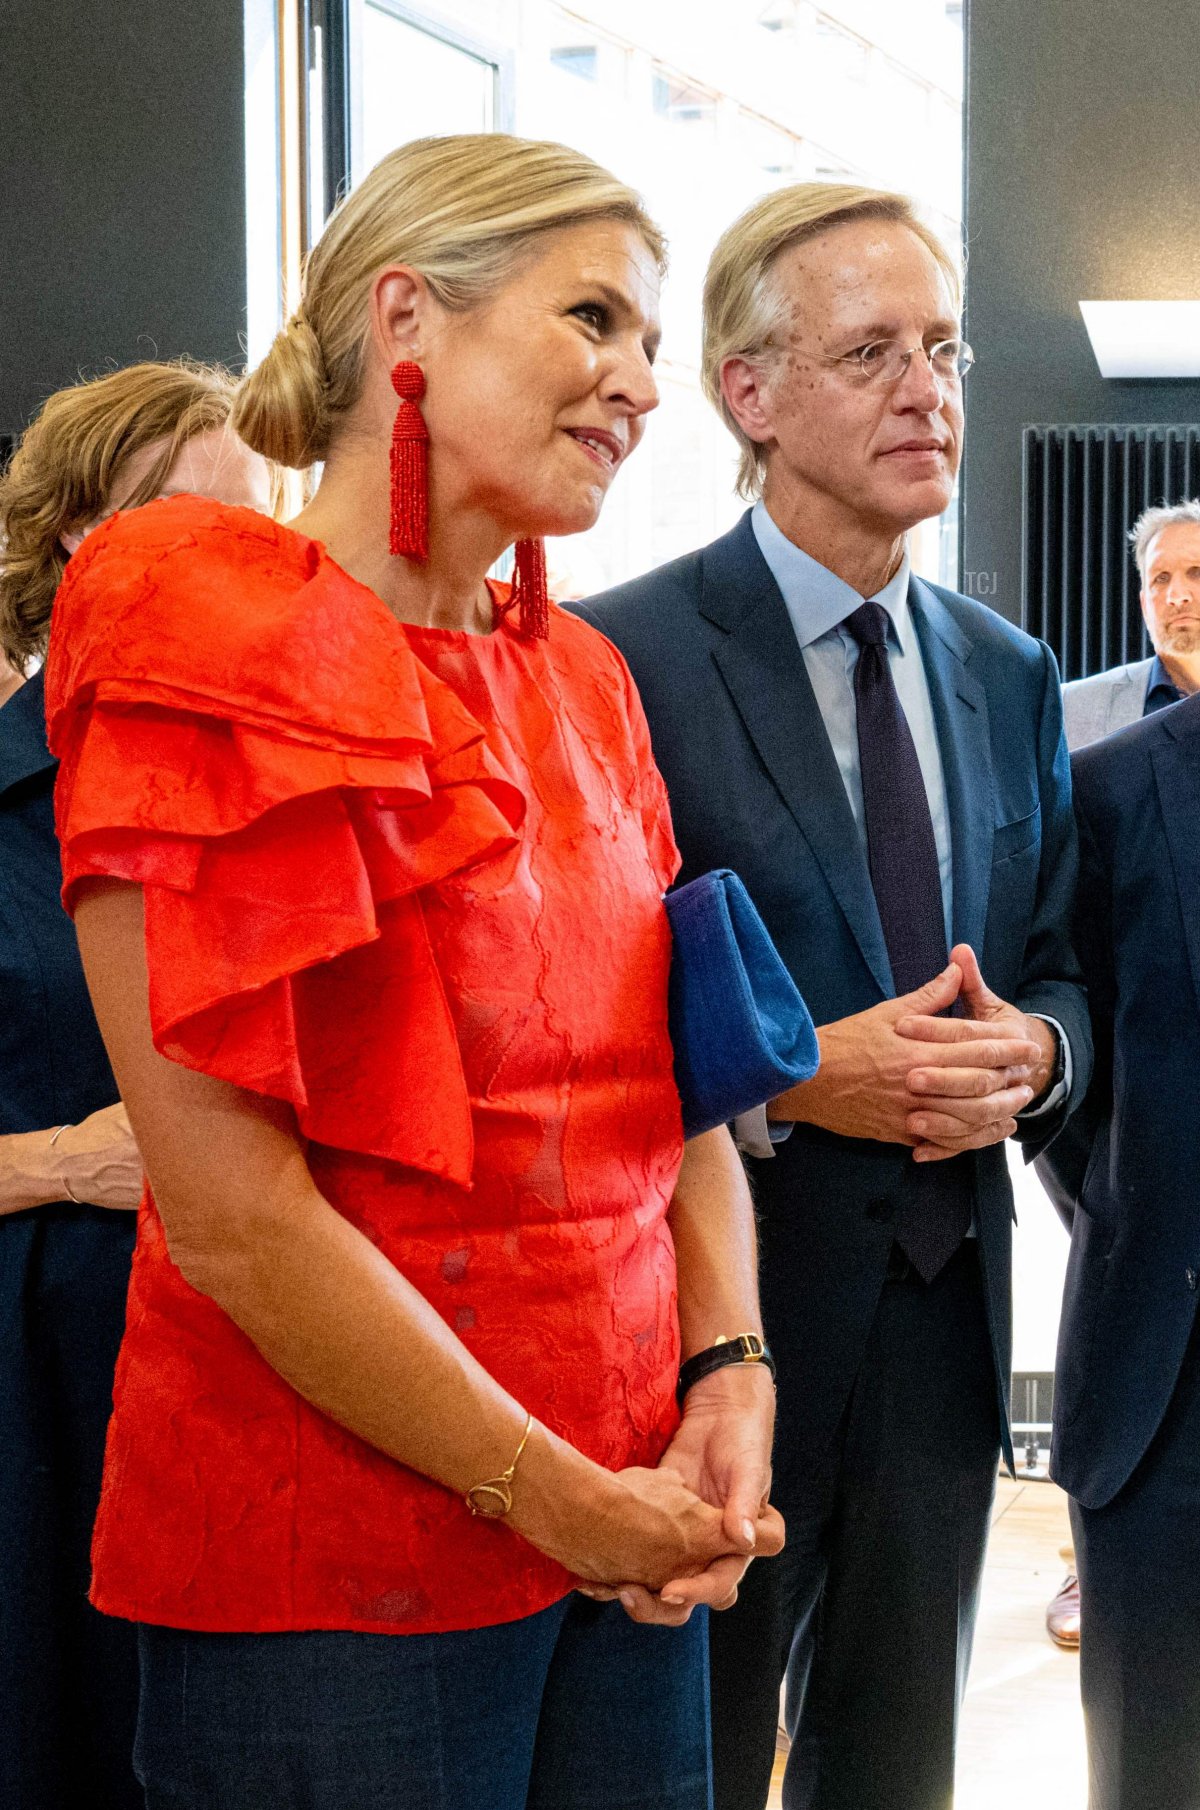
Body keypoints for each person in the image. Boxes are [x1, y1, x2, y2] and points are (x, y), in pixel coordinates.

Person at [45, 135, 783, 1810]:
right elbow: (232, 1211)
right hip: (338, 1575)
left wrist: (727, 1377)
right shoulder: (191, 625)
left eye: (656, 343)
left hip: (629, 1518)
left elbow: (685, 1108)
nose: (641, 384)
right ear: (408, 319)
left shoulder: (587, 679)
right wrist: (553, 1491)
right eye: (595, 316)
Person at [580, 183, 1091, 1810]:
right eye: (871, 352)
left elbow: (1062, 953)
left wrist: (1045, 1048)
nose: (927, 389)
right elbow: (573, 1003)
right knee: (699, 1764)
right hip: (711, 1336)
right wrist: (794, 1078)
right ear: (750, 393)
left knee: (899, 1772)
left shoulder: (1010, 674)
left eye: (941, 350)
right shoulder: (624, 659)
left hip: (949, 1327)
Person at [0, 359, 275, 1810]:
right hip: (39, 1390)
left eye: (251, 531)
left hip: (262, 1382)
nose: (226, 569)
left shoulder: (281, 803)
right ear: (71, 547)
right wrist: (60, 1159)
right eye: (184, 523)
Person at [1035, 687, 1200, 1809]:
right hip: (1166, 1375)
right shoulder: (1113, 787)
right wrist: (1147, 1208)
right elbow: (1063, 1074)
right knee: (1151, 1763)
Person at [1063, 499, 1200, 748]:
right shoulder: (1071, 708)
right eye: (1161, 578)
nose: (1177, 595)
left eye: (1196, 572)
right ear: (1144, 603)